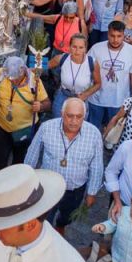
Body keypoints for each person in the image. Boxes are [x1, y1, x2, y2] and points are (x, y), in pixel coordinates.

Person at [23, 97, 103, 232]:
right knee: (43, 219)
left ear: (85, 116)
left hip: (75, 190)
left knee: (67, 217)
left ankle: (60, 227)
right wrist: (26, 181)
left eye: (79, 117)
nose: (74, 121)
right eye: (70, 116)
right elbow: (32, 155)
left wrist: (92, 192)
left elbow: (96, 166)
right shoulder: (47, 128)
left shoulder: (94, 133)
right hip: (47, 187)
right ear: (62, 113)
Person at [0, 56, 50, 174]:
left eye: (15, 78)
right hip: (1, 127)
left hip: (24, 131)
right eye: (10, 78)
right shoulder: (1, 74)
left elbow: (47, 103)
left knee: (19, 164)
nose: (12, 80)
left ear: (23, 71)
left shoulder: (34, 80)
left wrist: (41, 107)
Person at [87, 21, 132, 129]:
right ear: (107, 34)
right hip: (96, 99)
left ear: (124, 35)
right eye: (112, 36)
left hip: (119, 100)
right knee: (93, 128)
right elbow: (87, 70)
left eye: (119, 36)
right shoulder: (96, 48)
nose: (115, 40)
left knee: (114, 132)